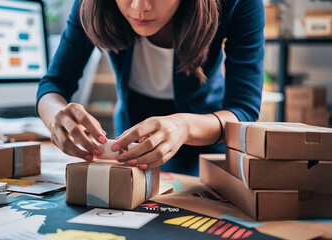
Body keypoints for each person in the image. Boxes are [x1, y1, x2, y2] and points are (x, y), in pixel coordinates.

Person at [37, 0, 265, 176]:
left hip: (206, 143)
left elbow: (243, 111)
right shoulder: (91, 5)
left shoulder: (238, 4)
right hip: (130, 148)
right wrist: (55, 117)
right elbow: (54, 84)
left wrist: (183, 126)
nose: (139, 7)